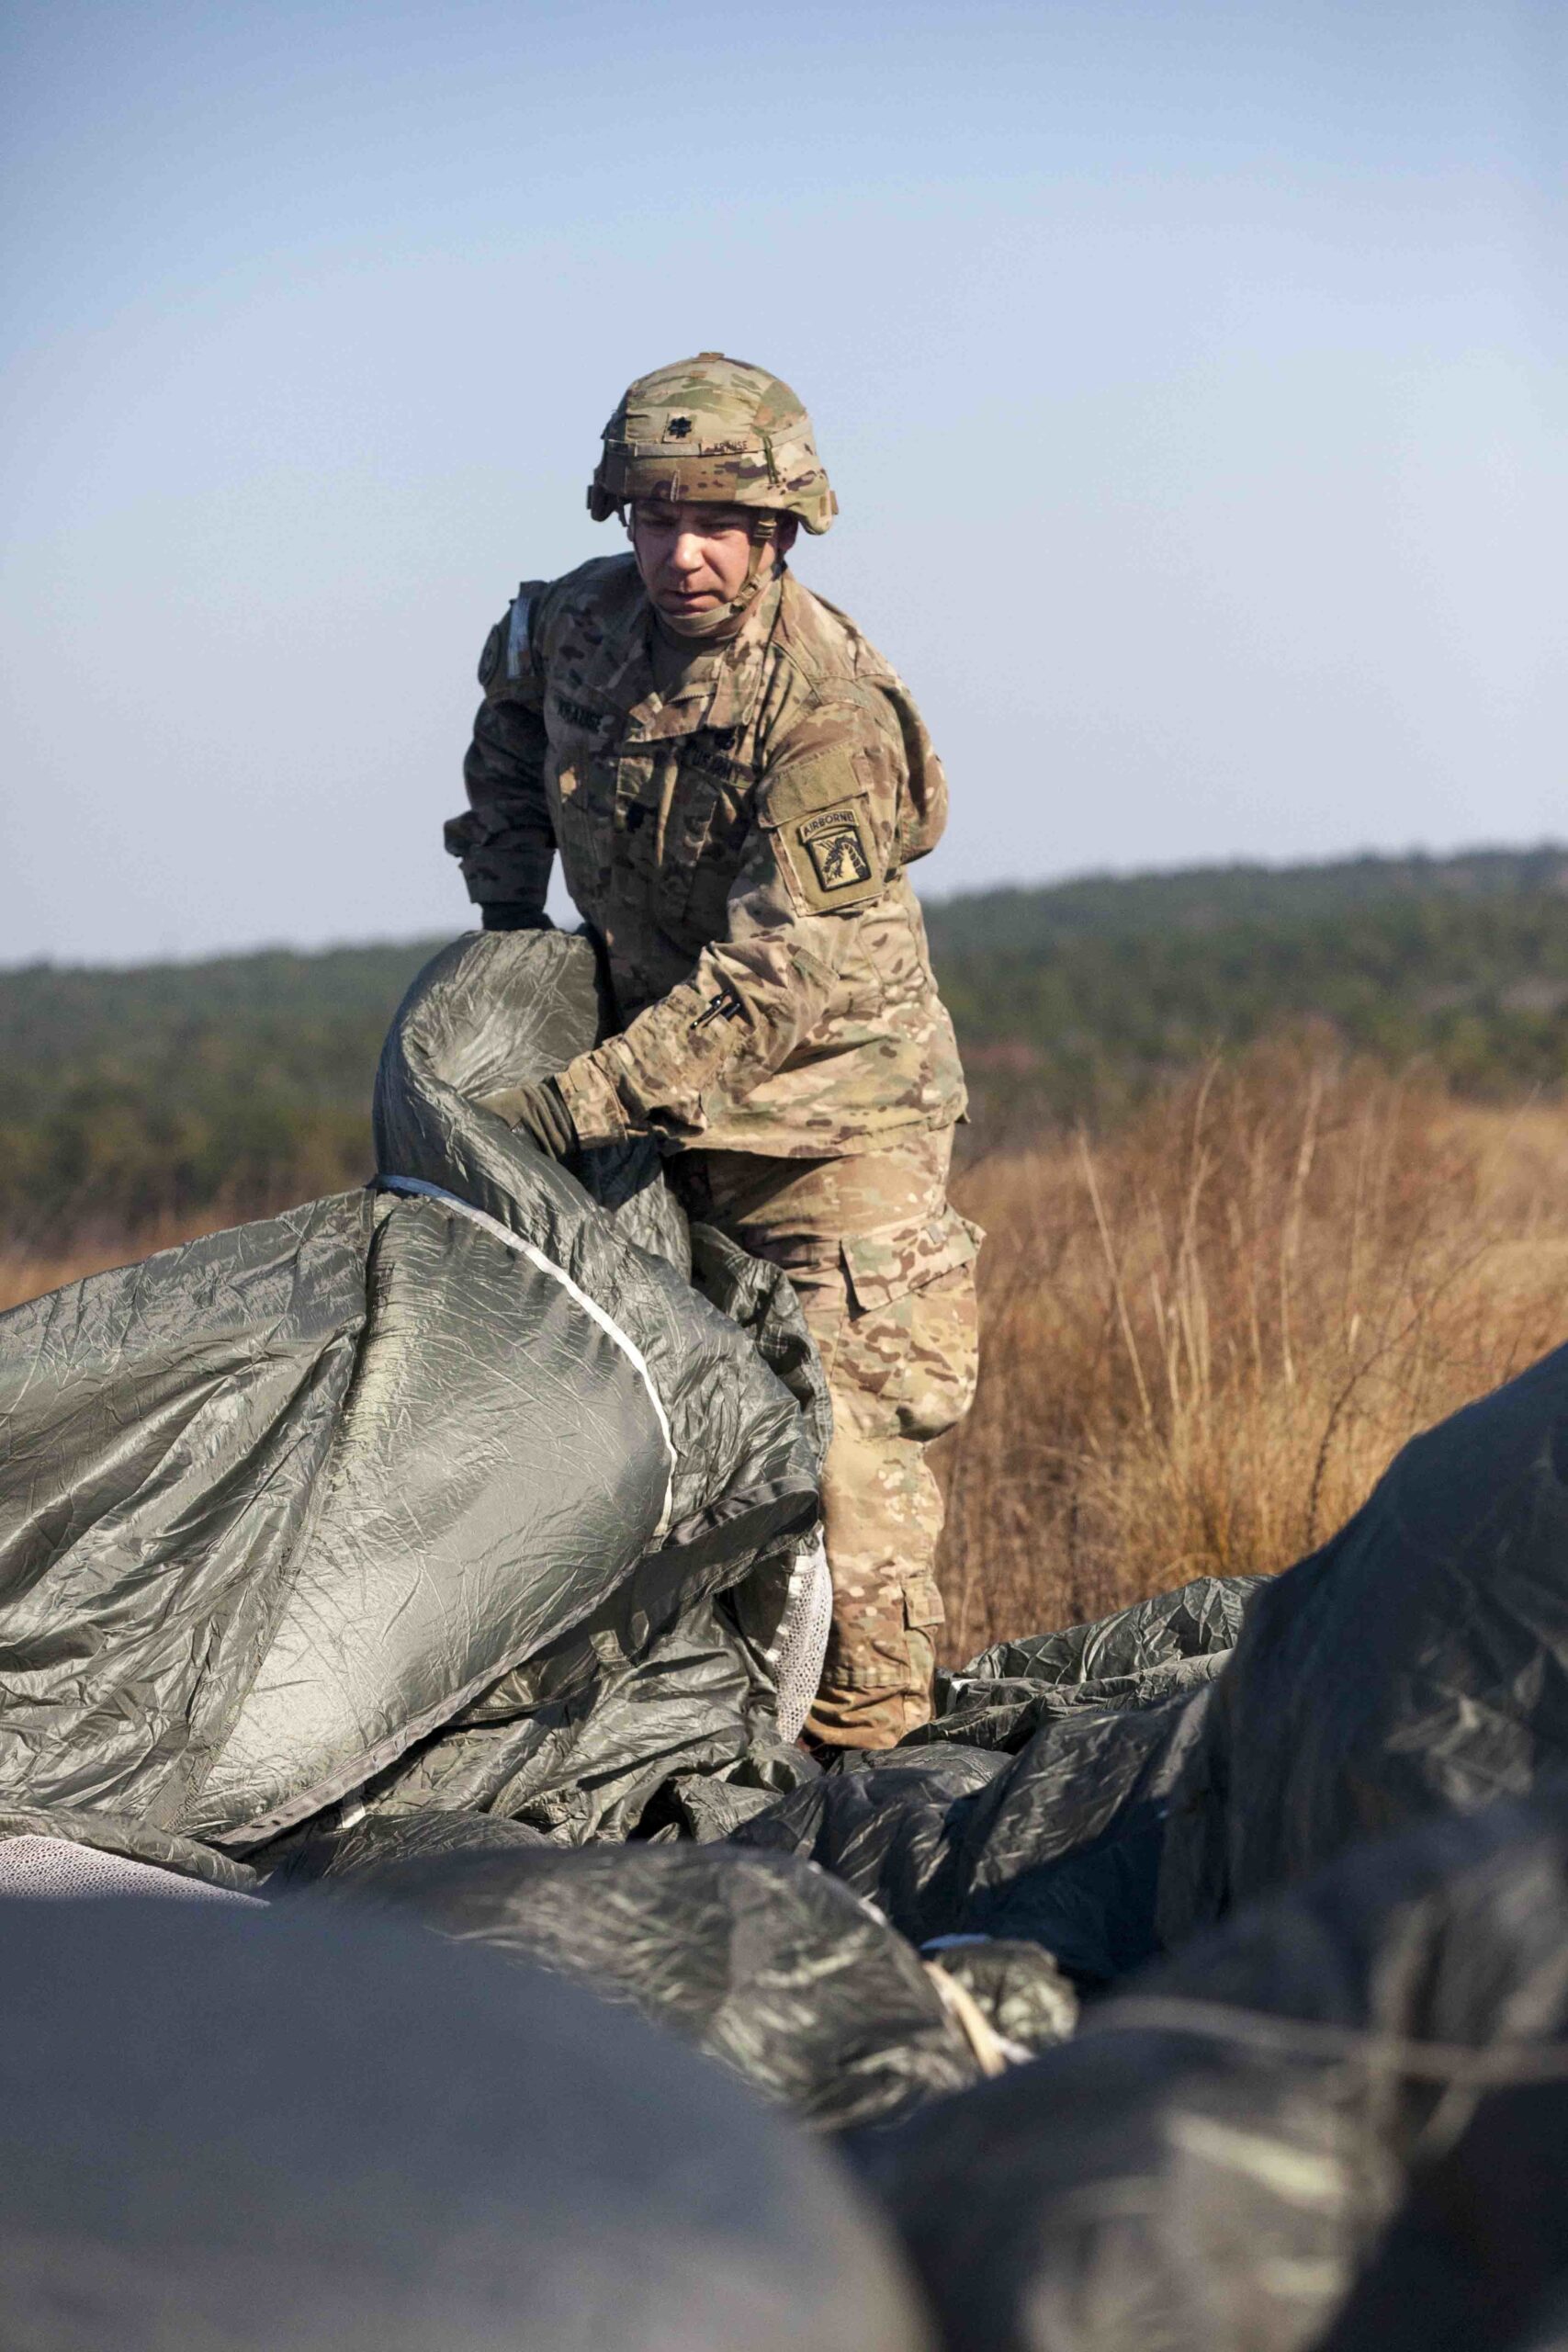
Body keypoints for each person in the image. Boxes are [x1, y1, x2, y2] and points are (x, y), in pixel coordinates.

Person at [444, 352, 979, 1748]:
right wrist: (512, 932)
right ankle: (694, 1748)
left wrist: (580, 1096)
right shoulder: (573, 630)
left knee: (848, 1463)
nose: (682, 554)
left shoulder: (826, 705)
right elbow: (507, 743)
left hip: (829, 1129)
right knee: (653, 1449)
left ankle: (874, 1781)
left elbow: (783, 972)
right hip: (649, 1111)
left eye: (717, 524)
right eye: (655, 518)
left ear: (779, 529)